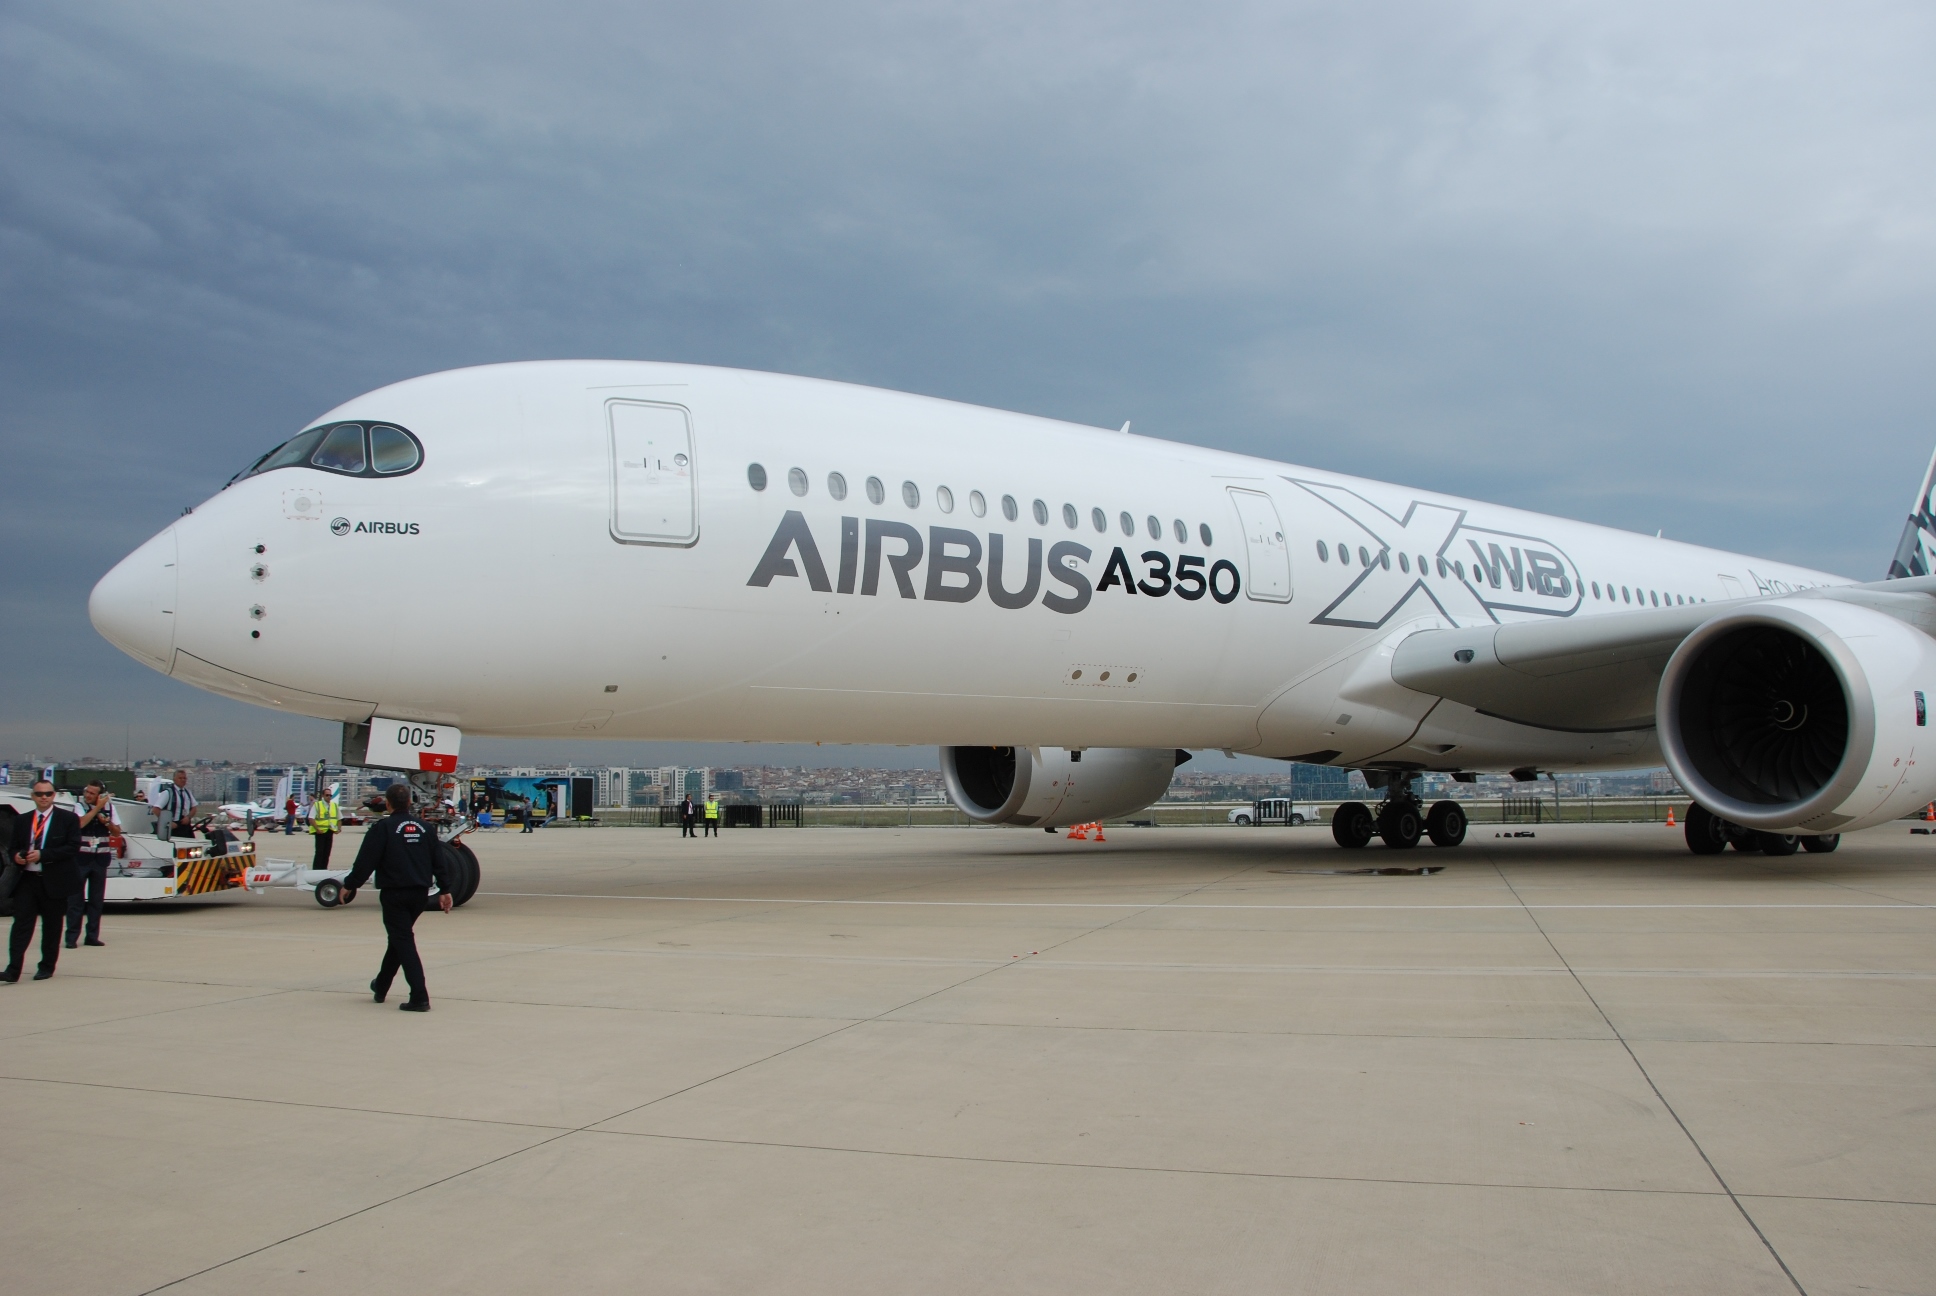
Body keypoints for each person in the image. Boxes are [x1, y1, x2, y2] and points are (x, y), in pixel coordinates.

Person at [342, 782, 454, 1011]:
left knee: (403, 942)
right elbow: (439, 862)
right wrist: (445, 890)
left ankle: (420, 996)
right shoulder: (425, 828)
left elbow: (366, 861)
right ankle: (381, 986)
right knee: (398, 940)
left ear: (388, 803)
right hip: (419, 895)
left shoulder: (383, 828)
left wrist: (350, 885)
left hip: (395, 895)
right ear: (410, 803)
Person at [6, 781, 82, 982]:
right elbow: (12, 847)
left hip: (53, 881)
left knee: (52, 926)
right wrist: (16, 857)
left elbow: (72, 847)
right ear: (33, 796)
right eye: (39, 794)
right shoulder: (22, 820)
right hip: (27, 879)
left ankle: (46, 966)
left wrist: (43, 854)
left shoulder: (68, 819)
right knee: (21, 924)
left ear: (54, 795)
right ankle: (13, 969)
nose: (44, 797)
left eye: (48, 794)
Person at [66, 781, 119, 949]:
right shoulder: (78, 806)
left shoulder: (110, 808)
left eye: (92, 793)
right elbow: (80, 823)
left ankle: (92, 936)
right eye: (87, 791)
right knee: (76, 901)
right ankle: (72, 937)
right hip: (81, 859)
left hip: (100, 859)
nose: (88, 795)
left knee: (96, 901)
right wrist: (97, 810)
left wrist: (107, 821)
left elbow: (117, 831)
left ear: (99, 795)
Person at [149, 770, 197, 842]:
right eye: (180, 778)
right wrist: (168, 822)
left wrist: (188, 817)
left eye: (184, 778)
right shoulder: (168, 793)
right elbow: (156, 809)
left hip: (185, 826)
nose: (183, 780)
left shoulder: (187, 793)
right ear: (174, 779)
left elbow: (194, 807)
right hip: (173, 827)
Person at [309, 785, 342, 870]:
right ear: (323, 796)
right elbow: (311, 818)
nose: (329, 797)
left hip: (330, 831)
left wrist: (339, 828)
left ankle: (324, 869)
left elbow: (339, 818)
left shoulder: (334, 805)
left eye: (330, 795)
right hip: (320, 832)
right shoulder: (317, 805)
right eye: (327, 795)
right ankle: (316, 870)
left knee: (327, 853)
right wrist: (317, 829)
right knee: (319, 852)